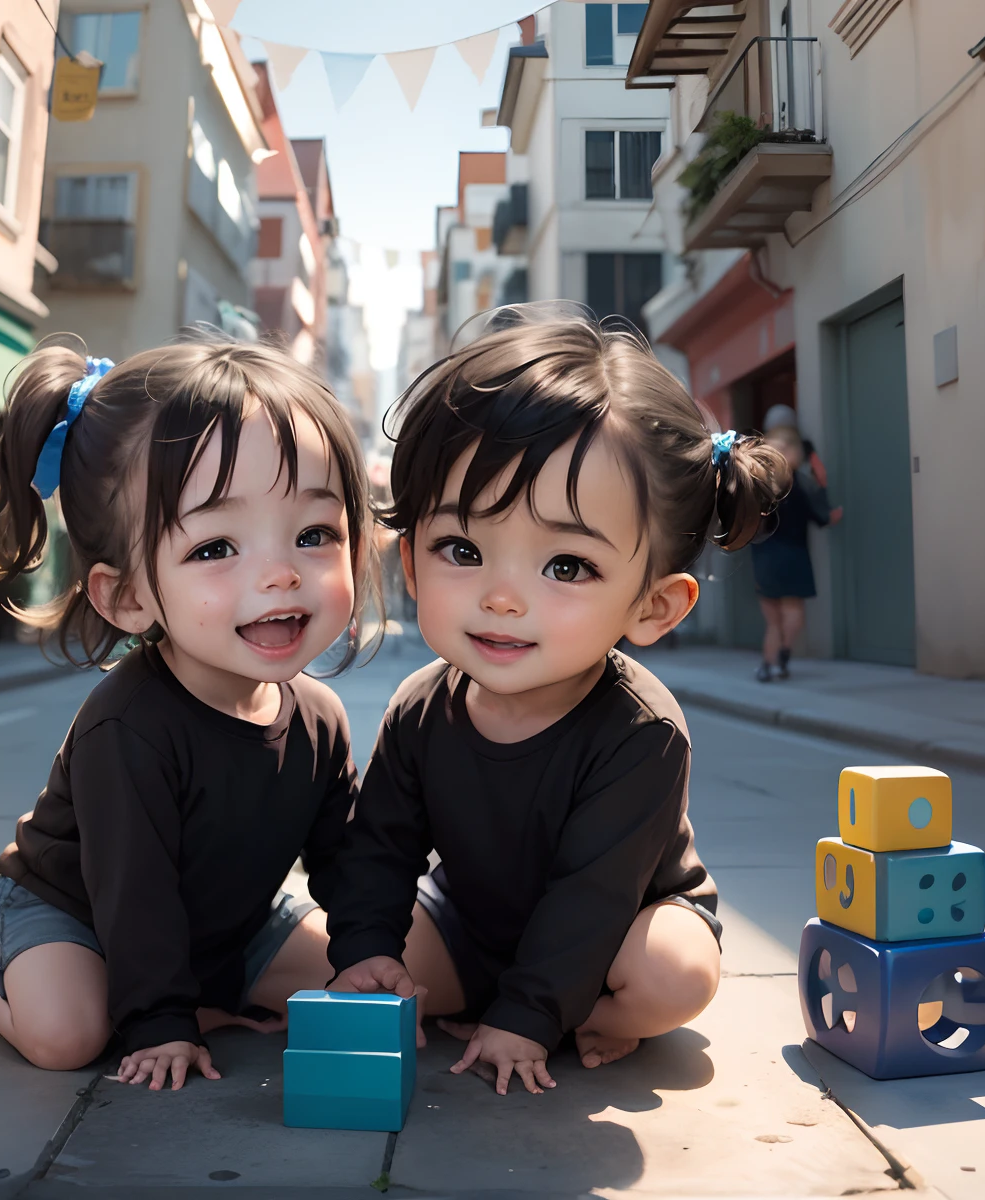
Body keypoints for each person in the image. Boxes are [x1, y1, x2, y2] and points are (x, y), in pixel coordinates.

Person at [324, 312, 789, 1096]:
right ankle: (502, 992)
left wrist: (529, 1017)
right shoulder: (419, 709)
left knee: (673, 975)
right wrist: (366, 949)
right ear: (410, 562)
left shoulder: (641, 732)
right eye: (463, 551)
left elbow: (593, 893)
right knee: (331, 962)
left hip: (619, 931)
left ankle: (590, 1016)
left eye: (567, 566)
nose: (503, 598)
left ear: (654, 606)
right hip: (470, 921)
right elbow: (379, 848)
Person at [0, 333, 377, 1090]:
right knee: (69, 1035)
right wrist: (159, 1022)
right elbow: (133, 888)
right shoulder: (128, 728)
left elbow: (346, 858)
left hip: (222, 927)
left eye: (314, 534)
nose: (281, 574)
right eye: (217, 547)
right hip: (81, 914)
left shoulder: (317, 717)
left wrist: (367, 947)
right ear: (127, 596)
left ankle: (193, 985)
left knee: (373, 979)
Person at [750, 408, 834, 682]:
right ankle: (782, 655)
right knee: (792, 613)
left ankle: (768, 664)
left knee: (773, 621)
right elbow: (821, 513)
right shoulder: (800, 483)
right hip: (794, 554)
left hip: (764, 556)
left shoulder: (757, 483)